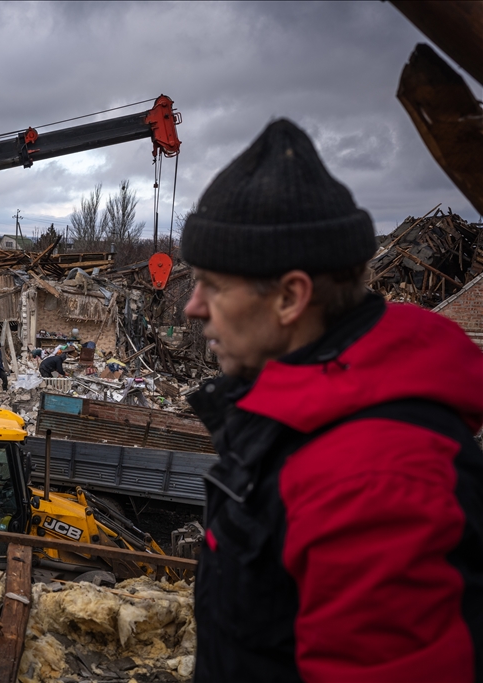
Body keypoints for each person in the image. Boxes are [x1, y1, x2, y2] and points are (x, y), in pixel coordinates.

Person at [179, 119, 483, 683]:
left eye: (213, 286)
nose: (193, 307)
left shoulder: (374, 482)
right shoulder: (302, 426)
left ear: (290, 297)